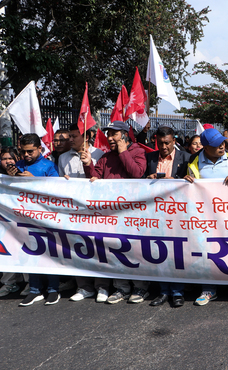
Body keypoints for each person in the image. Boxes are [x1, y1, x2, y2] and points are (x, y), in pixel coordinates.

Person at [81, 120, 149, 304]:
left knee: (134, 251)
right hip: (111, 215)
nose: (110, 138)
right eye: (108, 134)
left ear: (125, 135)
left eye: (114, 134)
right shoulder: (106, 157)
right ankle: (121, 288)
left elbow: (137, 173)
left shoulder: (137, 152)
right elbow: (95, 178)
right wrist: (88, 164)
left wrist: (123, 152)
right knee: (116, 251)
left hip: (132, 214)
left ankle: (141, 287)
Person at [185, 128, 228, 306]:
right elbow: (189, 184)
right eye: (216, 144)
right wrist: (186, 181)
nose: (222, 145)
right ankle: (209, 289)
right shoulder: (193, 161)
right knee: (208, 251)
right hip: (206, 215)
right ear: (205, 147)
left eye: (222, 142)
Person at [5, 134, 61, 306]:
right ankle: (35, 289)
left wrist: (35, 181)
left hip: (45, 217)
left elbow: (58, 191)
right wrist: (9, 176)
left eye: (30, 151)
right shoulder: (19, 165)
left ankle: (53, 289)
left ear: (39, 149)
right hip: (23, 217)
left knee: (49, 253)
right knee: (30, 252)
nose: (26, 155)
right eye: (23, 152)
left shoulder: (49, 166)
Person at [58, 123, 107, 302]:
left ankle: (102, 286)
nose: (70, 140)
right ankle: (84, 286)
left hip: (96, 211)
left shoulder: (100, 155)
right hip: (75, 212)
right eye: (69, 136)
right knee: (78, 247)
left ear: (88, 136)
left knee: (99, 248)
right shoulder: (63, 158)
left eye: (74, 136)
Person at [144, 126, 191, 308]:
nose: (163, 146)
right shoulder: (150, 158)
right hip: (156, 213)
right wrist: (149, 178)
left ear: (174, 142)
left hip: (178, 213)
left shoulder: (186, 158)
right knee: (159, 252)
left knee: (176, 253)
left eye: (167, 143)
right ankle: (164, 291)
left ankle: (177, 292)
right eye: (160, 143)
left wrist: (182, 180)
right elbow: (139, 183)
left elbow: (193, 182)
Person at [0, 147, 26, 297]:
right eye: (4, 159)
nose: (8, 161)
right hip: (3, 222)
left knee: (25, 249)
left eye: (11, 158)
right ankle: (9, 283)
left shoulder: (23, 172)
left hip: (20, 219)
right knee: (5, 251)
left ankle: (29, 282)